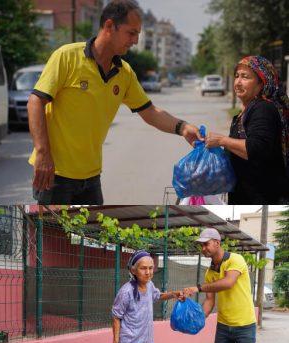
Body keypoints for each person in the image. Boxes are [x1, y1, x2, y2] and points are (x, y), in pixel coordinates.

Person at [27, 0, 202, 205]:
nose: (136, 40)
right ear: (109, 26)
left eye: (138, 34)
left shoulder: (124, 72)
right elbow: (35, 101)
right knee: (52, 233)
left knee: (93, 232)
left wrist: (183, 128)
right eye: (131, 33)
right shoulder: (67, 57)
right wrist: (42, 153)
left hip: (91, 177)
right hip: (55, 174)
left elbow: (150, 112)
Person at [182, 228, 258, 343]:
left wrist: (198, 288)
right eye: (201, 245)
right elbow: (209, 301)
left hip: (245, 326)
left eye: (206, 244)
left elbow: (228, 282)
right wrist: (197, 319)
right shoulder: (210, 272)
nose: (203, 248)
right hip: (223, 328)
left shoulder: (235, 260)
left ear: (217, 242)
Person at [205, 55, 289, 204]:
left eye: (245, 77)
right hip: (244, 196)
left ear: (261, 83)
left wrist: (222, 140)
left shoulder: (263, 109)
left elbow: (257, 149)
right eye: (237, 76)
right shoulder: (244, 113)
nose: (237, 82)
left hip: (262, 200)